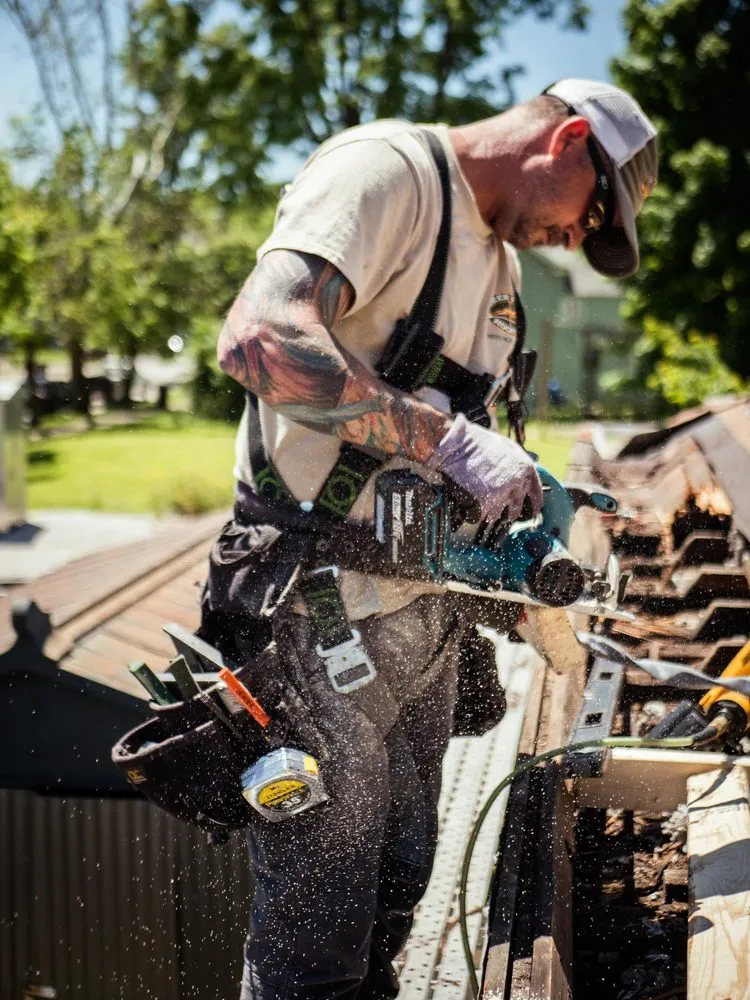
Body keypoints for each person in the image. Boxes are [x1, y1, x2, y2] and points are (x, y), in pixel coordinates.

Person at [208, 78, 658, 999]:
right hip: (311, 613)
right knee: (314, 952)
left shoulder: (499, 270)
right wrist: (443, 440)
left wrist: (531, 543)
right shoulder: (389, 177)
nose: (579, 236)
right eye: (594, 211)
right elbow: (255, 340)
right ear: (567, 139)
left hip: (417, 629)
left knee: (394, 907)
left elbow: (484, 459)